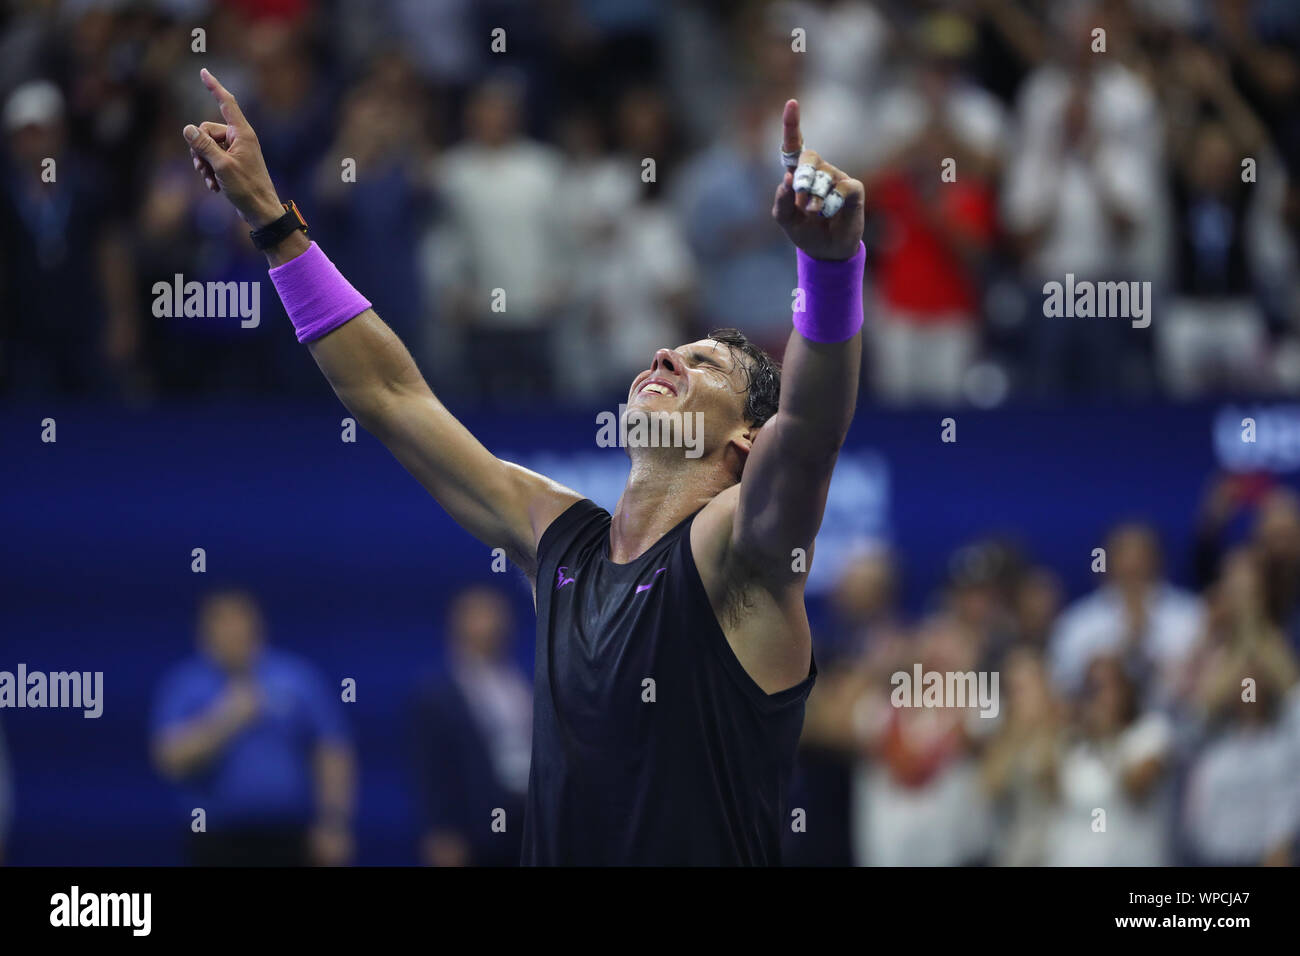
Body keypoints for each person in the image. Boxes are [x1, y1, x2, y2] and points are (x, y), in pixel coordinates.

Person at [181, 69, 865, 865]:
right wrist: (271, 218)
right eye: (672, 348)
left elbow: (810, 435)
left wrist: (830, 268)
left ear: (743, 445)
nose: (665, 356)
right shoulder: (561, 541)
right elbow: (392, 397)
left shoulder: (735, 550)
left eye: (705, 364)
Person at [151, 589, 356, 866]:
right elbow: (171, 759)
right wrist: (227, 719)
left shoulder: (296, 678)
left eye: (240, 623)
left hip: (288, 835)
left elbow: (332, 752)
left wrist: (334, 822)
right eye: (222, 624)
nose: (234, 632)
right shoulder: (185, 684)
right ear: (205, 632)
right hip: (216, 837)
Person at [412, 587, 532, 867]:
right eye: (480, 615)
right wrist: (441, 831)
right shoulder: (435, 694)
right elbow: (429, 769)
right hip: (472, 826)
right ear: (458, 623)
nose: (492, 623)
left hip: (526, 819)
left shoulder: (522, 683)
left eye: (497, 615)